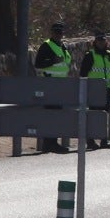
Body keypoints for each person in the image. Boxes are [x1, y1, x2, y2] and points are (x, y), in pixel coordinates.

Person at [32, 23, 73, 151]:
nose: (58, 34)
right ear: (52, 32)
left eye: (60, 32)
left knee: (57, 115)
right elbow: (38, 64)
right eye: (56, 32)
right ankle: (49, 143)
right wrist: (53, 61)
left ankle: (52, 142)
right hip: (49, 85)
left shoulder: (63, 47)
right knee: (51, 115)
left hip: (60, 86)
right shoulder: (46, 46)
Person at [79, 32, 110, 148]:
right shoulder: (90, 55)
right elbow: (83, 74)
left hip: (106, 89)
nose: (101, 43)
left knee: (104, 115)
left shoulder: (109, 55)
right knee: (92, 115)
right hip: (94, 90)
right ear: (95, 42)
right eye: (99, 41)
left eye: (103, 41)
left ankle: (103, 140)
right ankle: (90, 141)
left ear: (106, 42)